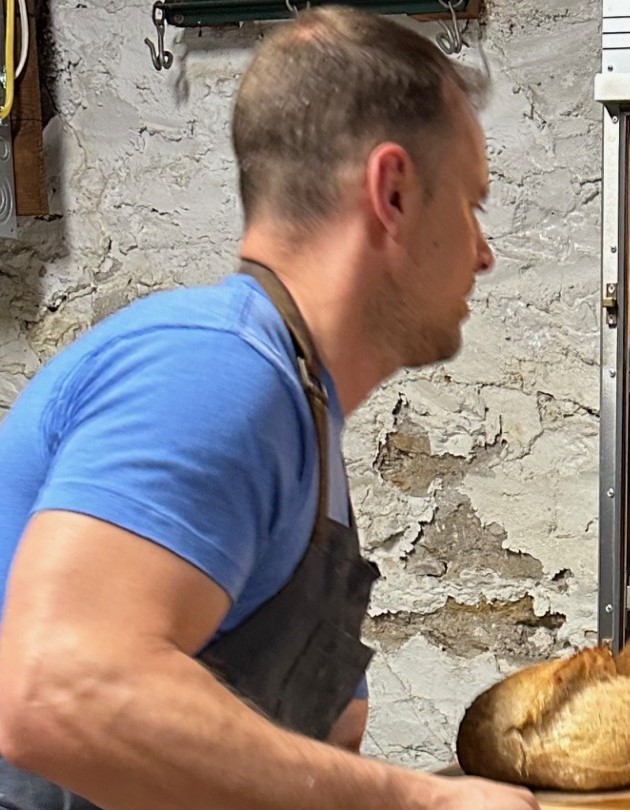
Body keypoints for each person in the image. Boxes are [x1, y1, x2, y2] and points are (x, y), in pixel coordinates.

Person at [0, 6, 539, 810]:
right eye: (471, 205)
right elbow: (56, 691)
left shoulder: (300, 404)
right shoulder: (214, 372)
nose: (484, 252)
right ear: (391, 191)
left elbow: (318, 744)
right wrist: (412, 800)